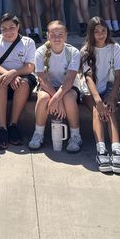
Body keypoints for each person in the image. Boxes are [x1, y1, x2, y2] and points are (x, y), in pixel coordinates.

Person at [29, 20, 82, 152]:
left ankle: (76, 135)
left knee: (68, 98)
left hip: (68, 87)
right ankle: (38, 133)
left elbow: (70, 79)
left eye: (60, 34)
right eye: (53, 34)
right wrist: (55, 99)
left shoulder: (73, 52)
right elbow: (41, 78)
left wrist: (57, 98)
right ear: (47, 35)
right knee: (42, 99)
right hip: (48, 86)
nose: (57, 38)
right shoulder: (40, 52)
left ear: (66, 36)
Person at [80, 18, 120, 173]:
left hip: (109, 88)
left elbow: (119, 76)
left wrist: (111, 97)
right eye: (96, 31)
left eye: (103, 31)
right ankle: (101, 149)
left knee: (109, 109)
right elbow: (88, 78)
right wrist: (98, 100)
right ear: (91, 33)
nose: (100, 35)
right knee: (97, 110)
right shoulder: (86, 51)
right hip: (90, 91)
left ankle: (116, 149)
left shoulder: (115, 48)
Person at [0, 14, 37, 149]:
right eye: (4, 28)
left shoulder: (28, 42)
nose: (8, 31)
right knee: (0, 82)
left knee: (23, 84)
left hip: (22, 74)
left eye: (12, 27)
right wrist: (9, 74)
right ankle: (2, 128)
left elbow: (30, 66)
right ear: (0, 29)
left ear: (18, 27)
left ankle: (13, 125)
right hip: (2, 74)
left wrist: (15, 73)